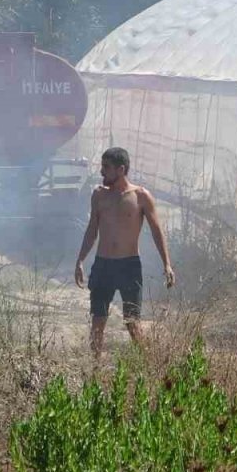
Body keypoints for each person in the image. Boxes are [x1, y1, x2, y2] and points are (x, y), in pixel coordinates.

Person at [74, 147, 175, 360]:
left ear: (121, 169)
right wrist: (80, 260)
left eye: (106, 167)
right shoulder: (99, 195)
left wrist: (167, 263)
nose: (102, 172)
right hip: (103, 265)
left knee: (132, 322)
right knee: (98, 320)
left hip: (129, 266)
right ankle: (95, 368)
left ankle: (148, 365)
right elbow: (92, 230)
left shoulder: (141, 196)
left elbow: (157, 231)